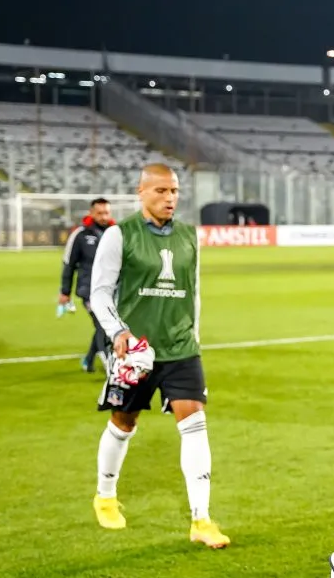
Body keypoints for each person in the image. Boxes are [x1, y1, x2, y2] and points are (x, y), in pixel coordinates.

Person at [88, 163, 229, 549]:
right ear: (142, 192)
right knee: (123, 422)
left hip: (181, 347)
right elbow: (100, 292)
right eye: (161, 191)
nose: (170, 198)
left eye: (175, 192)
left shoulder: (188, 236)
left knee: (195, 423)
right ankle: (105, 495)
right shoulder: (120, 235)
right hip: (135, 351)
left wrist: (194, 337)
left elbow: (192, 291)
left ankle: (201, 519)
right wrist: (117, 331)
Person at [59, 198, 114, 373]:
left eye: (106, 212)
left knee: (103, 325)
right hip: (88, 290)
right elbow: (69, 263)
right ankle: (109, 366)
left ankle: (88, 361)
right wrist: (65, 292)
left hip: (111, 290)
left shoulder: (115, 233)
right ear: (91, 213)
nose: (104, 216)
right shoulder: (81, 234)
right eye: (100, 213)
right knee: (102, 325)